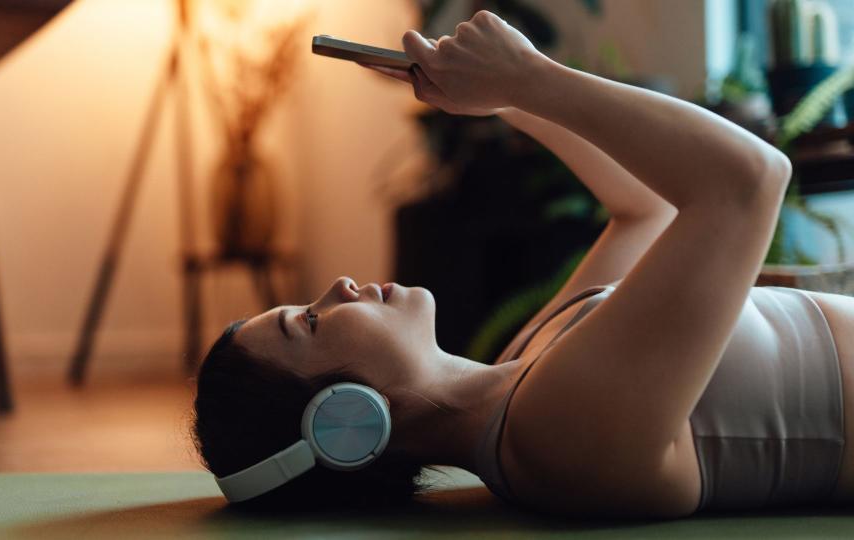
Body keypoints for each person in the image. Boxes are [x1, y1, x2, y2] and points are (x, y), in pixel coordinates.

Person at [193, 11, 854, 518]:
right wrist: (532, 80)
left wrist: (502, 101)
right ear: (343, 422)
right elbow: (746, 182)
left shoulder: (528, 363)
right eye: (308, 323)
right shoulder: (553, 439)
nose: (336, 287)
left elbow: (645, 210)